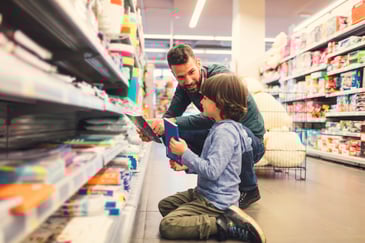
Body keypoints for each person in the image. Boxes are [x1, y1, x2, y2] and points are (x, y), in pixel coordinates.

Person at [138, 44, 265, 209]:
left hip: (251, 141)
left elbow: (210, 119)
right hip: (223, 134)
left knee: (234, 131)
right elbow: (170, 116)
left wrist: (171, 122)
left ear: (198, 63)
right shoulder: (184, 87)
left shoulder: (221, 78)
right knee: (171, 129)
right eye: (181, 77)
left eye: (191, 72)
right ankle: (196, 170)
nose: (188, 81)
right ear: (174, 74)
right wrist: (154, 130)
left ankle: (249, 189)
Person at [158, 73, 266, 242]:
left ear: (220, 103)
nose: (201, 102)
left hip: (216, 201)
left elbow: (212, 171)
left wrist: (185, 153)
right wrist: (187, 166)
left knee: (168, 224)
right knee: (165, 206)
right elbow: (216, 165)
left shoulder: (225, 133)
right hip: (206, 192)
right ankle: (209, 216)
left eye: (206, 98)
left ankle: (224, 223)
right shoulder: (221, 127)